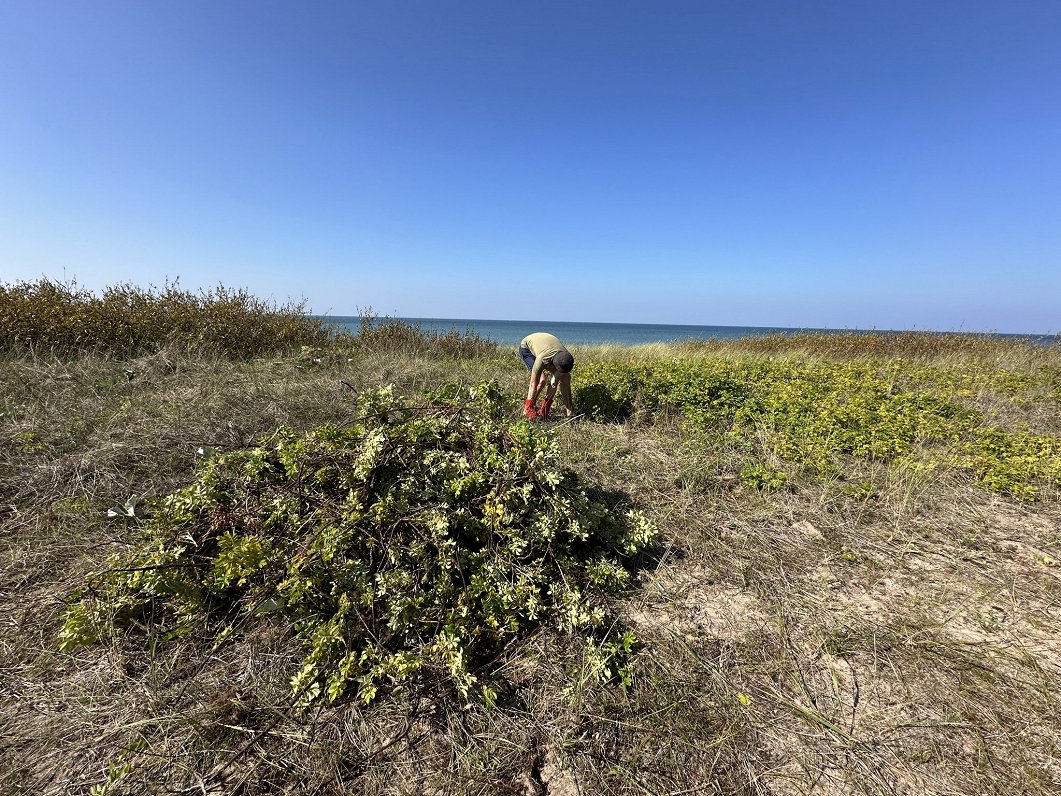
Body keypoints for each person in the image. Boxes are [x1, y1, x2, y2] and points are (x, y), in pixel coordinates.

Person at [519, 332, 575, 420]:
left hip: (548, 347)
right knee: (542, 380)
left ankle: (568, 411)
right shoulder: (542, 359)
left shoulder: (565, 356)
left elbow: (556, 380)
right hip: (527, 348)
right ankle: (528, 409)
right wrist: (529, 408)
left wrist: (555, 378)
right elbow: (533, 384)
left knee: (566, 377)